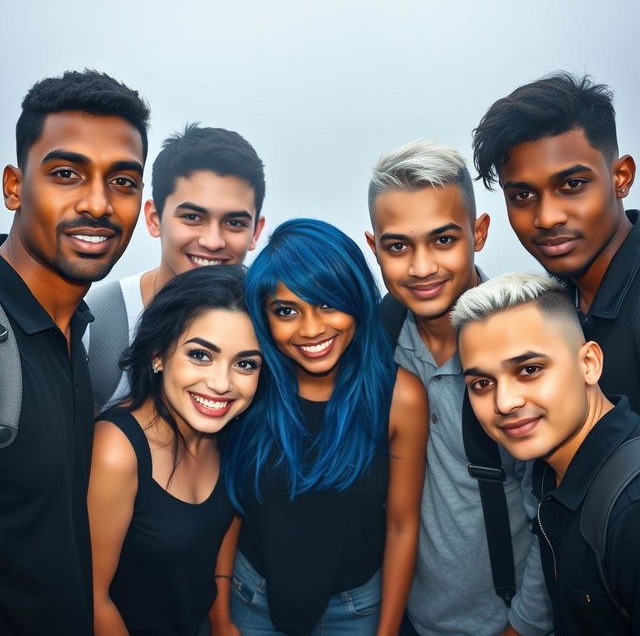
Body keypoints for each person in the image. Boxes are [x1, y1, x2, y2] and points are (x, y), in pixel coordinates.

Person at [365, 141, 552, 635]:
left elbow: (552, 511)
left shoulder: (525, 353)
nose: (422, 267)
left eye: (443, 240)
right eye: (398, 246)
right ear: (374, 246)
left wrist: (526, 626)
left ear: (479, 232)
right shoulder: (369, 346)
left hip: (503, 623)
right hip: (397, 615)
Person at [214, 219, 428, 636]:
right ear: (264, 316)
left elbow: (402, 525)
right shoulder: (251, 385)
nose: (311, 329)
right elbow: (230, 506)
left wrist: (386, 631)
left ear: (358, 301)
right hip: (249, 598)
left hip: (355, 610)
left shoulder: (400, 397)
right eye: (287, 311)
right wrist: (220, 614)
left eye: (328, 304)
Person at [0, 69, 149, 635]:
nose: (98, 204)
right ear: (15, 186)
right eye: (66, 173)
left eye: (123, 181)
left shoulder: (80, 330)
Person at [453, 272, 640, 635]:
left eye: (529, 369)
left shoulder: (631, 512)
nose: (504, 402)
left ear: (589, 363)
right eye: (481, 383)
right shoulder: (548, 472)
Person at [88, 265, 262, 635]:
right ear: (158, 354)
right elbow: (92, 600)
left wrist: (222, 621)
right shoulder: (117, 450)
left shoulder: (229, 433)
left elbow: (221, 533)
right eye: (201, 355)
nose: (221, 384)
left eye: (245, 364)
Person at [472, 72, 640, 411]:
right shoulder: (551, 301)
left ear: (621, 177)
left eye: (572, 185)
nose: (547, 217)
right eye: (522, 194)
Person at [86, 123, 266, 412]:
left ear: (256, 232)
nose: (212, 241)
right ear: (154, 218)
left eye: (235, 223)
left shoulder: (269, 322)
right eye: (193, 217)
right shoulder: (99, 325)